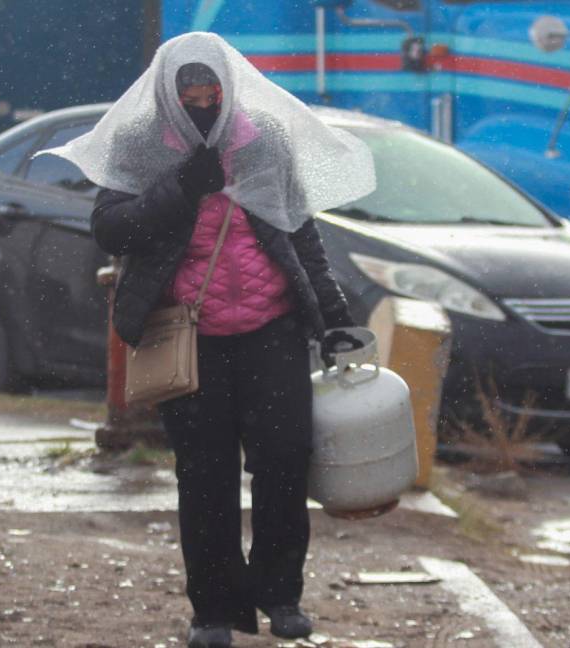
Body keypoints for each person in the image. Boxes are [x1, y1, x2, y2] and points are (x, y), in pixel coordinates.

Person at [47, 32, 375, 648]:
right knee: (205, 477)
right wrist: (182, 187)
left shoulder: (265, 141)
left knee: (283, 465)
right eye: (188, 90)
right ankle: (214, 612)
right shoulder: (140, 143)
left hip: (271, 331)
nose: (201, 99)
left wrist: (332, 318)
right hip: (188, 338)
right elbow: (111, 230)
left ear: (229, 86)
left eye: (211, 89)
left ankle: (280, 596)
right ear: (168, 90)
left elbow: (300, 232)